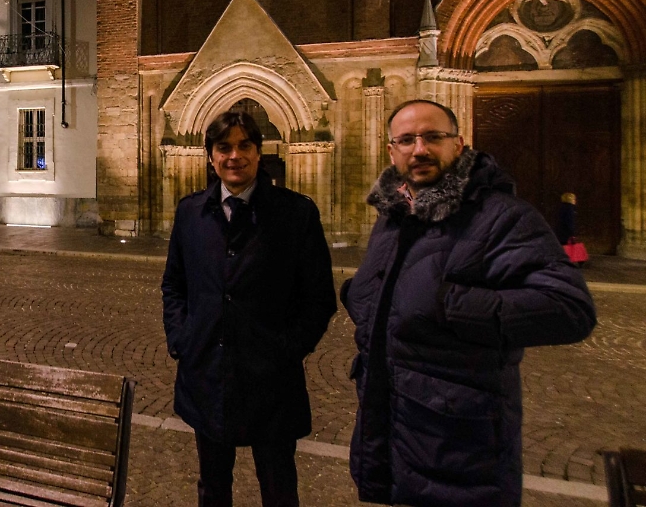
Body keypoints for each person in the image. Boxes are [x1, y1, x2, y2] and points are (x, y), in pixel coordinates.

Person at [340, 99, 596, 507]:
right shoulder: (393, 217)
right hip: (395, 434)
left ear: (459, 145)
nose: (419, 149)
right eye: (406, 140)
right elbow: (398, 298)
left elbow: (569, 308)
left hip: (462, 452)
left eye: (433, 137)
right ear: (392, 151)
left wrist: (448, 304)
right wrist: (361, 297)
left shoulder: (501, 216)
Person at [162, 110, 337, 507]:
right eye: (224, 147)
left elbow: (319, 298)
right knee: (212, 488)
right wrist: (181, 339)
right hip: (207, 374)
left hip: (271, 382)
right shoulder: (191, 212)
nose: (234, 156)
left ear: (259, 153)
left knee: (278, 489)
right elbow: (174, 284)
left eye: (244, 146)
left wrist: (287, 349)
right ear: (210, 156)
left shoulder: (295, 214)